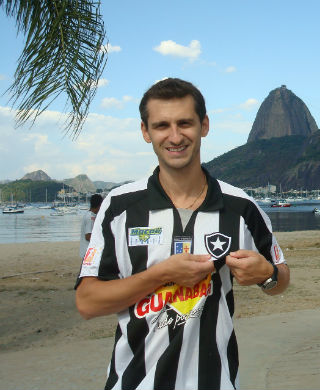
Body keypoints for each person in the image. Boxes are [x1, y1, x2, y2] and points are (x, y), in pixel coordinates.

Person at [75, 78, 290, 390]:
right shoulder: (120, 207)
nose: (174, 136)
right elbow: (87, 302)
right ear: (145, 132)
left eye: (185, 123)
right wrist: (160, 275)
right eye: (162, 125)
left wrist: (267, 273)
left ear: (203, 125)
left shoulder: (240, 207)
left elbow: (280, 280)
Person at [79, 194, 103, 260]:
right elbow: (88, 236)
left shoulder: (91, 215)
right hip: (88, 251)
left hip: (89, 251)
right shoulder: (90, 217)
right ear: (99, 205)